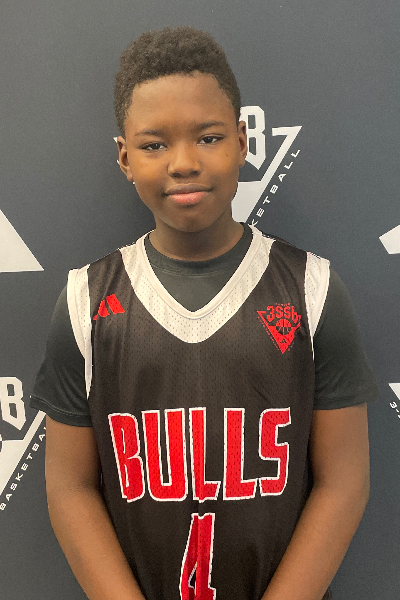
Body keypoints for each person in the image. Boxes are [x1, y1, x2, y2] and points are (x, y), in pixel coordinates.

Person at [30, 26, 378, 600]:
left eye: (209, 137)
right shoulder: (86, 299)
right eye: (154, 145)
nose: (184, 163)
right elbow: (70, 489)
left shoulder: (311, 288)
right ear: (124, 158)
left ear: (242, 142)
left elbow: (343, 483)